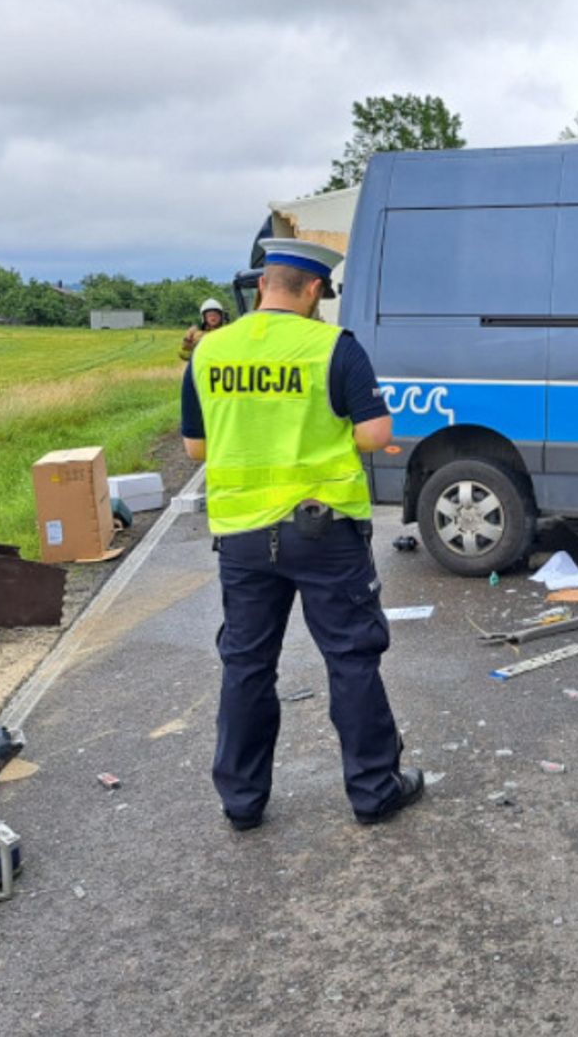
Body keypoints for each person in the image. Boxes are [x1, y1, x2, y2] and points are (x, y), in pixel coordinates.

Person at [180, 238, 421, 830]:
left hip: (240, 535)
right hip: (323, 531)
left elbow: (195, 447)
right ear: (313, 290)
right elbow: (374, 433)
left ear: (263, 285)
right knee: (350, 658)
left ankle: (241, 803)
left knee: (247, 665)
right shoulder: (333, 347)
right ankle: (373, 791)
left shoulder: (210, 351)